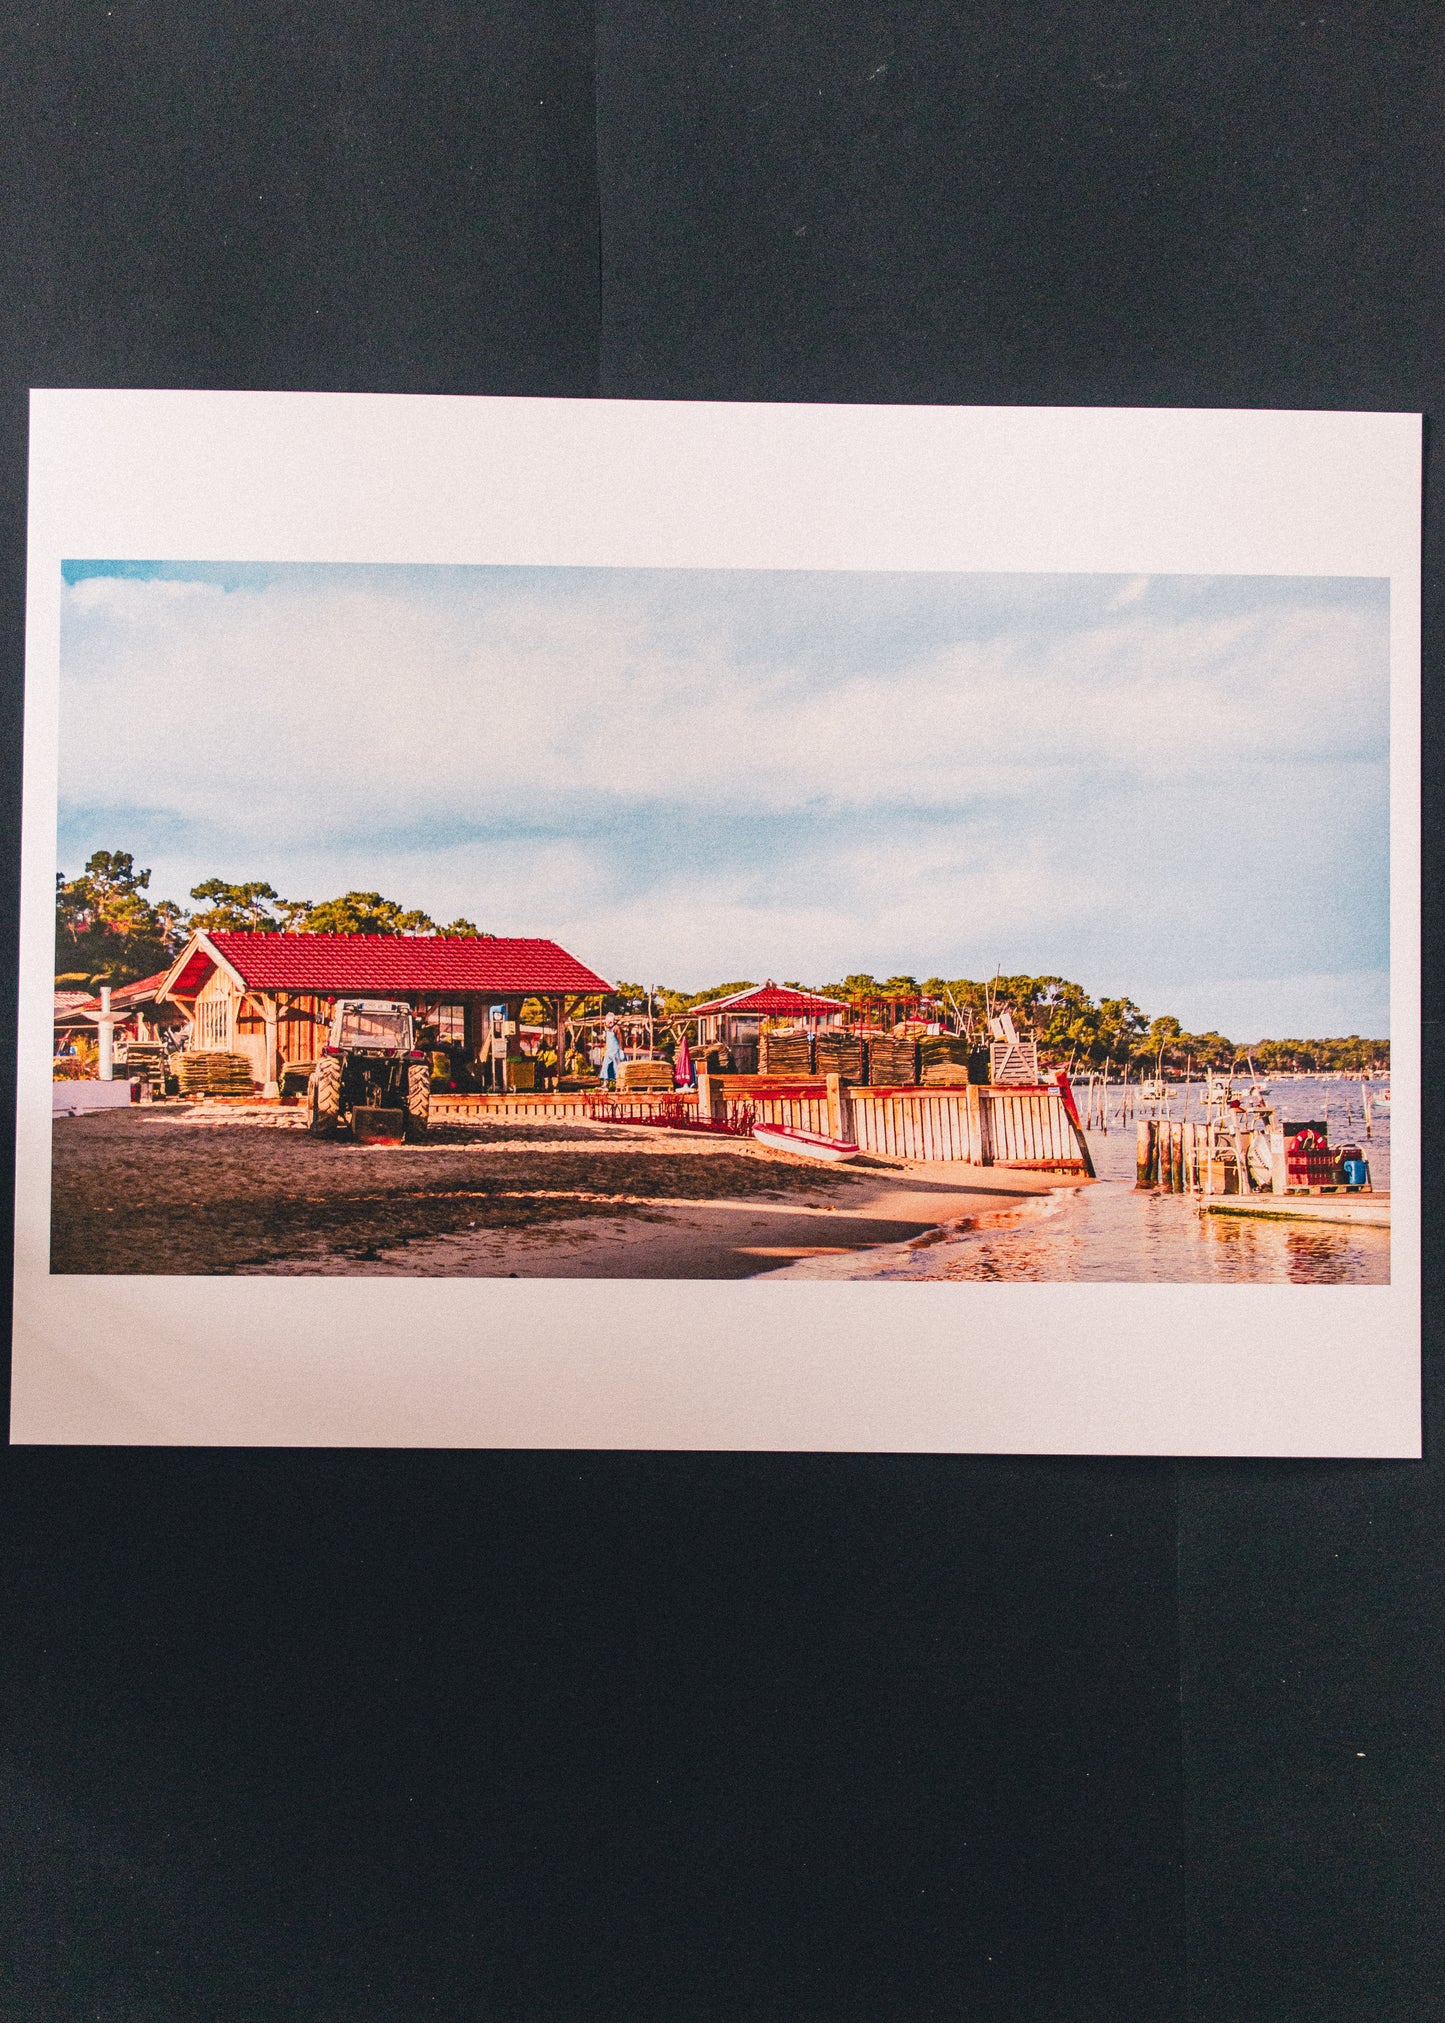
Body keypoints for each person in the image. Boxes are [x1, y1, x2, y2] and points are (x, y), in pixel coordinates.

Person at [600, 1013, 625, 1087]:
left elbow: (621, 1040)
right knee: (606, 1066)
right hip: (608, 1051)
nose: (609, 1024)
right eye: (608, 1022)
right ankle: (605, 1083)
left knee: (617, 1067)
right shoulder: (606, 1028)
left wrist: (621, 1051)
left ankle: (620, 1084)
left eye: (611, 1022)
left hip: (616, 1051)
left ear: (614, 1021)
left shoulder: (616, 1028)